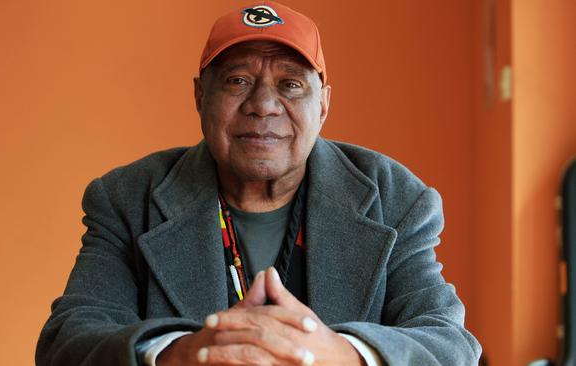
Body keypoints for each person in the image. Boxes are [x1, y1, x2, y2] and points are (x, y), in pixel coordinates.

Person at [35, 2, 481, 365]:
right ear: (199, 96)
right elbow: (68, 341)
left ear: (323, 105)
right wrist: (178, 353)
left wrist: (345, 356)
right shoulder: (127, 198)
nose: (264, 104)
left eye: (290, 84)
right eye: (238, 81)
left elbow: (449, 343)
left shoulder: (395, 197)